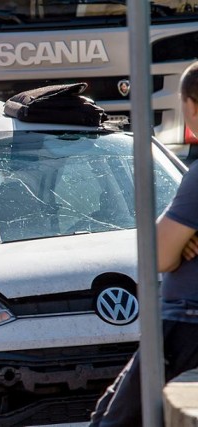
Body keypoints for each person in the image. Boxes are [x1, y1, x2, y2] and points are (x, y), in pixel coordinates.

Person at [89, 61, 198, 425]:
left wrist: (173, 240)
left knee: (112, 422)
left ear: (192, 106)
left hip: (186, 324)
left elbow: (159, 255)